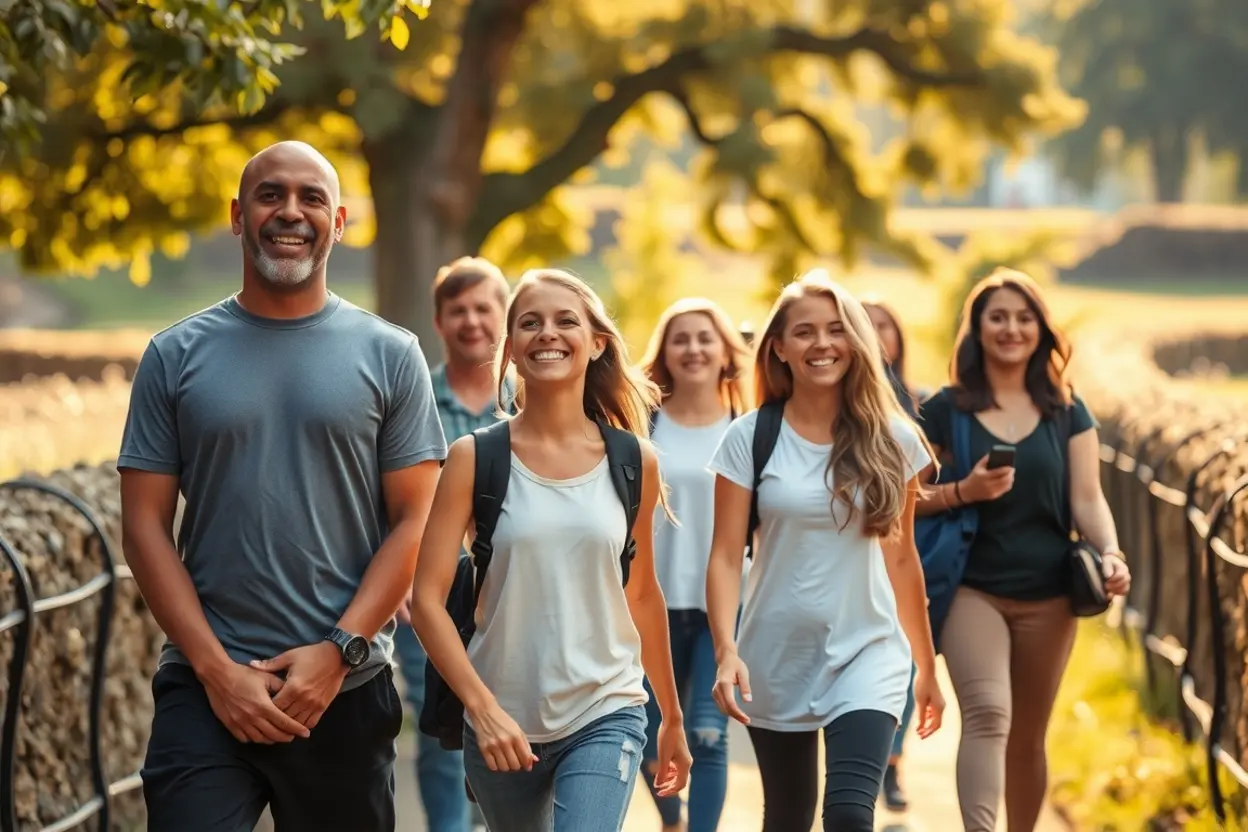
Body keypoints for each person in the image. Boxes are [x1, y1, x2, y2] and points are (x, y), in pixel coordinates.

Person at [117, 140, 447, 832]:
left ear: (341, 221)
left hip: (346, 689)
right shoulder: (173, 355)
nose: (289, 212)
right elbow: (145, 527)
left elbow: (414, 522)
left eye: (310, 197)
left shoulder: (392, 355)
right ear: (238, 215)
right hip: (206, 690)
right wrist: (216, 673)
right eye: (271, 195)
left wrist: (339, 652)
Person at [410, 268, 693, 831]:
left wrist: (672, 719)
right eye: (530, 323)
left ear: (597, 343)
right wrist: (483, 711)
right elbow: (426, 601)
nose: (548, 333)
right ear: (510, 348)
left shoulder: (635, 461)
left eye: (567, 321)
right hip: (501, 720)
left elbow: (641, 594)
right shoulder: (473, 458)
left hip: (606, 708)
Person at [704, 270, 946, 832]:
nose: (822, 344)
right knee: (787, 818)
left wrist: (926, 664)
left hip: (869, 649)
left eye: (836, 330)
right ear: (779, 348)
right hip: (775, 654)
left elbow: (903, 557)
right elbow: (722, 556)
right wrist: (725, 649)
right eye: (805, 332)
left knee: (846, 817)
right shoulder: (749, 437)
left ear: (856, 342)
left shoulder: (895, 439)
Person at [913, 267, 1131, 832]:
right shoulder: (944, 410)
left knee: (1029, 737)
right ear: (977, 329)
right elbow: (903, 499)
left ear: (1041, 329)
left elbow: (1088, 500)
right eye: (998, 317)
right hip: (971, 589)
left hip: (1050, 594)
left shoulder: (1067, 410)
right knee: (988, 714)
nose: (1012, 328)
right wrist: (964, 491)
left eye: (1024, 317)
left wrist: (1111, 553)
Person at [392, 256, 510, 832]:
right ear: (438, 322)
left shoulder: (532, 399)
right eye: (457, 310)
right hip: (426, 598)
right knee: (443, 727)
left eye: (484, 308)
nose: (471, 321)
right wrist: (395, 587)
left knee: (512, 722)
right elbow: (381, 499)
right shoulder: (411, 397)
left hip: (515, 595)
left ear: (505, 316)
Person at [635, 298, 753, 832]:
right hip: (647, 600)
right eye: (680, 338)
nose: (693, 348)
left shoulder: (748, 429)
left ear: (726, 351)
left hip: (719, 608)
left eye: (705, 337)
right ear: (664, 353)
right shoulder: (641, 425)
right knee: (646, 730)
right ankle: (671, 820)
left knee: (708, 731)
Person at [861, 295, 922, 812]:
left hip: (909, 559)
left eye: (885, 323)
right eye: (866, 324)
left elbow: (931, 491)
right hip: (857, 566)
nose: (877, 333)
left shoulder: (921, 408)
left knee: (899, 669)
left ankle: (892, 765)